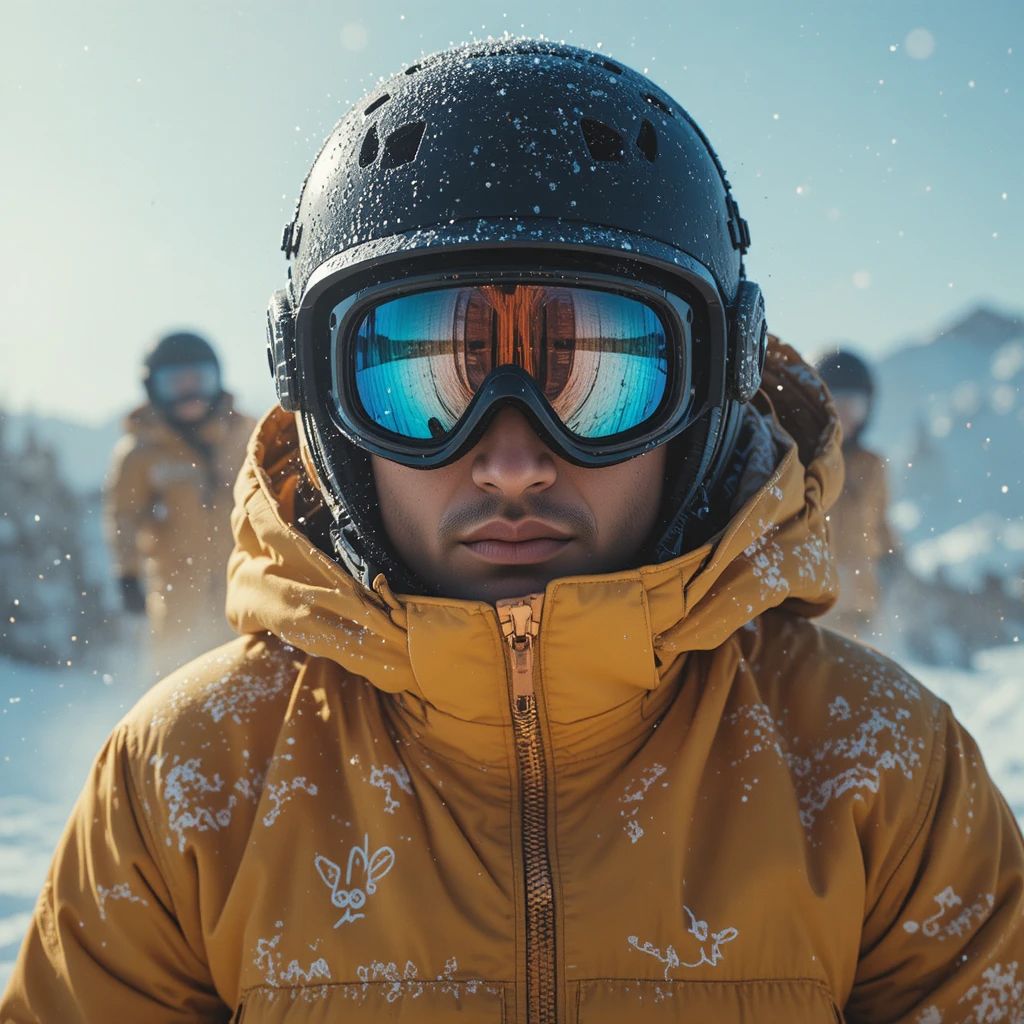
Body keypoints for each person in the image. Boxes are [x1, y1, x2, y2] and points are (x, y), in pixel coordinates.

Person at [3, 41, 1022, 1023]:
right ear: (329, 412)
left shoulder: (879, 772)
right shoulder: (187, 781)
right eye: (420, 379)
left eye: (600, 374)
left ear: (708, 395)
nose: (511, 461)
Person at [103, 331, 256, 676]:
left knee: (250, 677)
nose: (190, 395)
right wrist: (127, 574)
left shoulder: (245, 435)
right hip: (178, 593)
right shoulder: (141, 452)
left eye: (199, 381)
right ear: (153, 389)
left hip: (245, 583)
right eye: (176, 384)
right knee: (176, 679)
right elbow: (123, 516)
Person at [815, 349, 899, 640]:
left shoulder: (871, 465)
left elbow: (879, 524)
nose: (848, 416)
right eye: (839, 405)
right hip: (812, 610)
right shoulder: (805, 460)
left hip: (861, 613)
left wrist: (892, 561)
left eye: (856, 407)